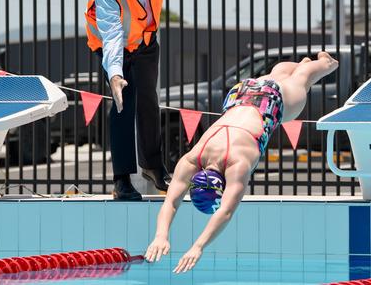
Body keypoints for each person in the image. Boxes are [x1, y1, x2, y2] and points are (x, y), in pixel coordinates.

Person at [144, 52, 339, 273]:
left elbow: (225, 212)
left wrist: (198, 247)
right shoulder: (193, 158)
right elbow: (170, 202)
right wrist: (161, 235)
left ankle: (324, 62)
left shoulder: (237, 164)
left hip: (271, 105)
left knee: (301, 80)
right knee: (278, 75)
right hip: (242, 92)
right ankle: (301, 65)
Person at [85, 0, 170, 200]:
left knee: (149, 102)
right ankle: (121, 180)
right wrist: (115, 74)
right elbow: (111, 35)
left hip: (145, 40)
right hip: (116, 46)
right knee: (124, 104)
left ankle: (153, 167)